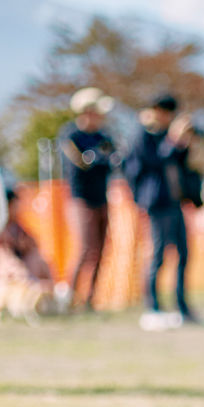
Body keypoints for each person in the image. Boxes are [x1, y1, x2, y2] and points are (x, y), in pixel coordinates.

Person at [124, 94, 200, 327]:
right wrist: (173, 139)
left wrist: (183, 141)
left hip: (176, 201)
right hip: (157, 202)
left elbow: (179, 162)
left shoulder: (168, 136)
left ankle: (182, 307)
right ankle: (153, 307)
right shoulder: (144, 134)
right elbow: (155, 162)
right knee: (158, 255)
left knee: (183, 255)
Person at [59, 88, 116, 311]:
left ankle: (90, 301)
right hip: (80, 198)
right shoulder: (70, 134)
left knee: (100, 250)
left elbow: (112, 162)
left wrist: (103, 156)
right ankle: (69, 299)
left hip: (102, 197)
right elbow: (81, 162)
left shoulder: (105, 136)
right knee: (85, 248)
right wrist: (96, 156)